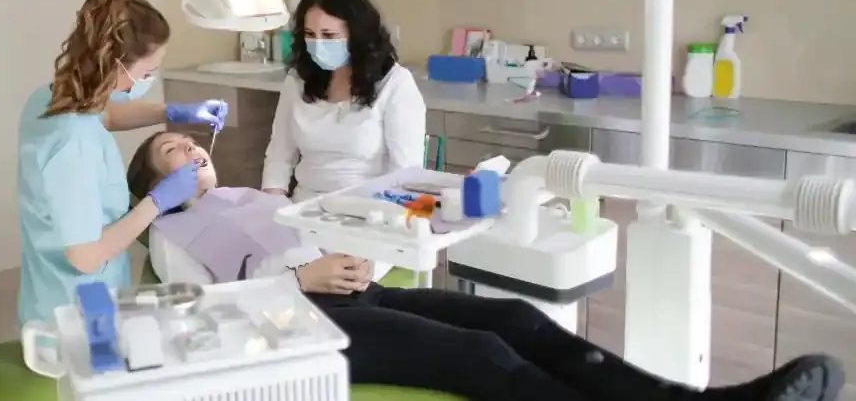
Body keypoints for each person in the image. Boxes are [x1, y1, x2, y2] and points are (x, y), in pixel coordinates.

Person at [128, 130, 844, 401]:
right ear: (151, 185)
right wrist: (299, 281)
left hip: (354, 289)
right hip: (296, 325)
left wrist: (357, 240)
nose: (191, 152)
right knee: (480, 352)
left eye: (193, 144)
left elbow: (310, 225)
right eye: (171, 153)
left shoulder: (251, 192)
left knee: (514, 315)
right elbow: (204, 312)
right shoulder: (170, 231)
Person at [16, 0, 227, 328]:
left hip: (54, 289)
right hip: (77, 308)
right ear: (115, 64)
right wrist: (158, 202)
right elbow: (85, 257)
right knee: (97, 375)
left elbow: (107, 115)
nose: (147, 80)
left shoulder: (51, 98)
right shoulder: (71, 143)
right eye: (145, 73)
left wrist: (176, 111)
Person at [262, 0, 427, 202]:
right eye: (310, 35)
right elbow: (279, 155)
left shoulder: (395, 84)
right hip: (304, 208)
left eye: (329, 35)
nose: (318, 44)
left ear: (356, 34)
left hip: (369, 211)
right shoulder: (298, 80)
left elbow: (404, 175)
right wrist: (270, 207)